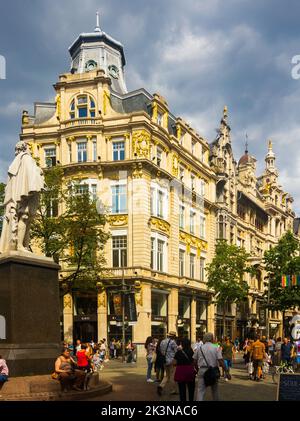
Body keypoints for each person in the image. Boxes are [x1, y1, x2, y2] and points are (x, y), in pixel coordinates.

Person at [0, 141, 45, 254]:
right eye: (29, 147)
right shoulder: (26, 158)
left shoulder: (17, 162)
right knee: (25, 218)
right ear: (25, 148)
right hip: (27, 194)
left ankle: (24, 245)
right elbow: (31, 177)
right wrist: (39, 172)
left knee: (26, 219)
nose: (30, 150)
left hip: (21, 194)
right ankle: (20, 245)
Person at [193, 332, 225, 401]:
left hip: (202, 370)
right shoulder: (216, 348)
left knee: (200, 391)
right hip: (213, 371)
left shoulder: (199, 348)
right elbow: (220, 360)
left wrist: (197, 370)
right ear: (212, 339)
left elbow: (194, 361)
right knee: (215, 390)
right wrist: (226, 371)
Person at [157, 331, 178, 396]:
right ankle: (173, 390)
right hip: (171, 361)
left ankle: (161, 386)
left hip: (164, 360)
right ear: (173, 336)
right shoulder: (173, 342)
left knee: (167, 375)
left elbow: (160, 350)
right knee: (172, 376)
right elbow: (176, 351)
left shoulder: (162, 341)